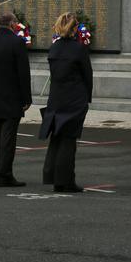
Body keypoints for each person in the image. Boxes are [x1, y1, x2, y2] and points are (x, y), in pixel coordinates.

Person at [39, 12, 92, 193]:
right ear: (75, 28)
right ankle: (65, 180)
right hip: (74, 98)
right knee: (69, 141)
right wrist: (86, 98)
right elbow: (87, 75)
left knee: (56, 138)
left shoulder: (55, 48)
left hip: (56, 97)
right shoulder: (78, 49)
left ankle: (54, 177)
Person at [0, 12, 32, 187]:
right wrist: (27, 98)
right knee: (8, 138)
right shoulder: (17, 43)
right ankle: (5, 174)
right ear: (12, 24)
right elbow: (23, 73)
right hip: (12, 97)